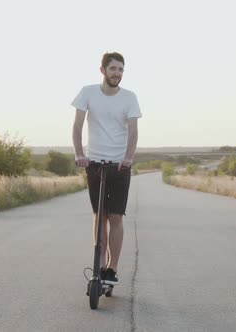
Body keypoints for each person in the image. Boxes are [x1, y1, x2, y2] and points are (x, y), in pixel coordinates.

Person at [71, 52, 142, 285]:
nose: (117, 74)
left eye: (121, 70)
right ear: (103, 70)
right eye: (113, 69)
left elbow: (133, 130)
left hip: (119, 165)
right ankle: (99, 265)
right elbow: (78, 125)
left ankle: (112, 268)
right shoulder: (87, 93)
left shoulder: (129, 98)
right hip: (94, 163)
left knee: (116, 216)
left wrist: (128, 157)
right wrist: (80, 154)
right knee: (99, 216)